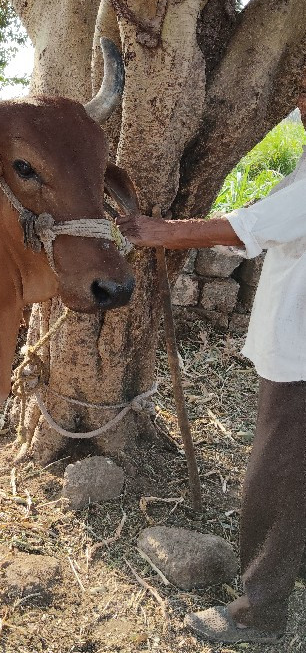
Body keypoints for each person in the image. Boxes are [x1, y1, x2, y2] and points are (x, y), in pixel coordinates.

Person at [116, 109, 306, 645]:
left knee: (277, 479)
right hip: (293, 347)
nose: (304, 106)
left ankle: (261, 613)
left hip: (301, 355)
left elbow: (249, 228)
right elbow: (260, 221)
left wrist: (163, 232)